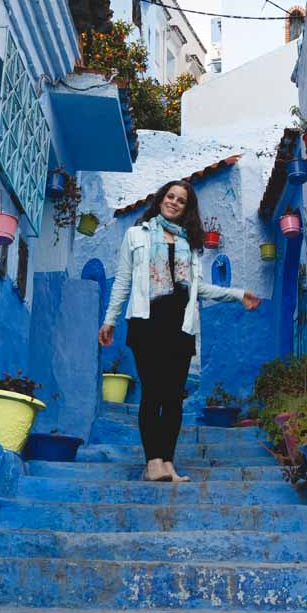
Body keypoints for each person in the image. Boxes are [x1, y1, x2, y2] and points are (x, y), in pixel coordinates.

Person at [98, 180, 261, 483]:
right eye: (170, 196)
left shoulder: (191, 244)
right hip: (146, 322)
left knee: (173, 397)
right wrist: (110, 320)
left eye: (181, 200)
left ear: (187, 208)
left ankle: (168, 463)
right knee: (153, 393)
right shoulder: (137, 235)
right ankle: (152, 462)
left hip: (181, 325)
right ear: (160, 199)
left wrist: (238, 294)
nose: (174, 202)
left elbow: (200, 289)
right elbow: (122, 281)